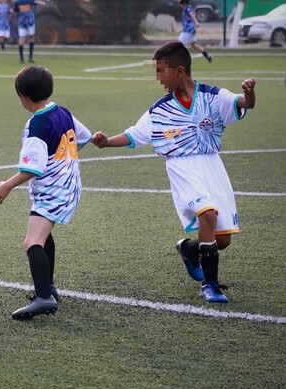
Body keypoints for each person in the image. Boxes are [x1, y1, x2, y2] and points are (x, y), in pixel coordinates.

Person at [91, 41, 256, 303]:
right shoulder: (160, 109)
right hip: (182, 167)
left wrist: (249, 94)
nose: (158, 78)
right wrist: (107, 141)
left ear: (179, 71)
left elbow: (243, 104)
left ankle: (188, 249)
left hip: (212, 166)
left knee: (221, 240)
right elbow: (136, 134)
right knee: (208, 215)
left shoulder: (213, 97)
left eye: (161, 70)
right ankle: (210, 285)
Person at [0, 65, 91, 320]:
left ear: (23, 97)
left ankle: (44, 297)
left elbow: (32, 168)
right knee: (43, 235)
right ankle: (49, 287)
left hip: (53, 190)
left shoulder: (36, 124)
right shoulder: (61, 111)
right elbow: (85, 136)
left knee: (32, 242)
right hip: (70, 185)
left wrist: (7, 185)